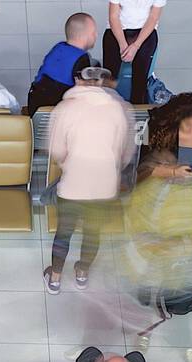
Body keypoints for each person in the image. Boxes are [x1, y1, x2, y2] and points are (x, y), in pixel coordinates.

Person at [43, 66, 135, 294]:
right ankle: (82, 273)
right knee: (93, 232)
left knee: (64, 232)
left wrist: (70, 165)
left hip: (73, 184)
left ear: (77, 79)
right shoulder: (119, 109)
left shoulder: (65, 108)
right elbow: (125, 151)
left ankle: (55, 278)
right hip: (104, 186)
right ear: (102, 81)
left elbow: (55, 149)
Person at [26, 12, 98, 115]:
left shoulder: (58, 48)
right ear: (85, 35)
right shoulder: (82, 58)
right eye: (93, 32)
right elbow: (84, 93)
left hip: (36, 108)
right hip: (58, 114)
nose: (95, 35)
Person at [139, 92, 192, 180]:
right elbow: (141, 170)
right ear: (175, 122)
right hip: (158, 189)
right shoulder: (156, 134)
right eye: (188, 125)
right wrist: (173, 172)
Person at [103, 0, 164, 106]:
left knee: (140, 76)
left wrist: (136, 45)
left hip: (144, 30)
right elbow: (113, 16)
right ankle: (107, 104)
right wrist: (123, 44)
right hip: (118, 28)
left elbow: (153, 17)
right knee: (109, 75)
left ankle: (138, 105)